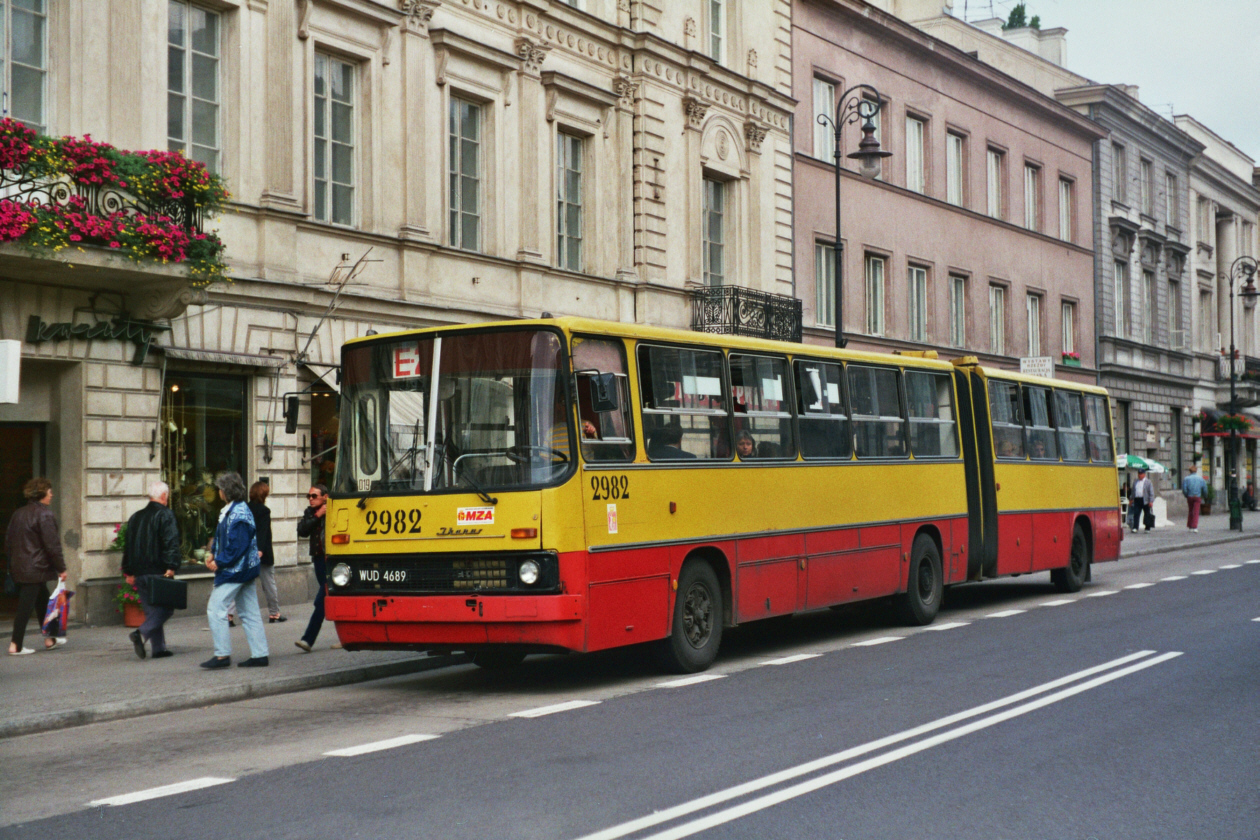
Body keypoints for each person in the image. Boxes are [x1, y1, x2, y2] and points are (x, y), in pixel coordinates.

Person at [202, 472, 269, 669]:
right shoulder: (234, 510)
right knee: (249, 612)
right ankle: (260, 654)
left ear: (225, 492)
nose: (218, 492)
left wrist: (218, 561)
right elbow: (223, 538)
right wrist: (214, 553)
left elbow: (236, 546)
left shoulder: (237, 513)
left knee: (215, 608)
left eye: (220, 489)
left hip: (236, 570)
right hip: (244, 569)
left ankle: (222, 655)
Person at [5, 478, 67, 655]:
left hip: (22, 566)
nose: (52, 495)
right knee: (26, 607)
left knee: (43, 601)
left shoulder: (18, 513)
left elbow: (8, 542)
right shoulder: (44, 514)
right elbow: (52, 545)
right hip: (36, 567)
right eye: (49, 492)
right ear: (41, 494)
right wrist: (61, 568)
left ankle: (50, 638)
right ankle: (15, 644)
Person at [121, 480, 181, 660]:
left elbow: (128, 546)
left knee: (151, 610)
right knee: (166, 608)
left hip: (139, 571)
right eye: (167, 496)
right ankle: (141, 633)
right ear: (164, 496)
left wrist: (128, 571)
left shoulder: (136, 517)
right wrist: (171, 566)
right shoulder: (165, 515)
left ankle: (159, 649)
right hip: (158, 569)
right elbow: (171, 542)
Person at [295, 484, 331, 652]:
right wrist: (317, 515)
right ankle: (348, 638)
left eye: (314, 496)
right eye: (308, 496)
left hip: (333, 559)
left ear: (325, 496)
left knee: (323, 597)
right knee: (328, 595)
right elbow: (301, 530)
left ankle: (308, 639)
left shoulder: (335, 509)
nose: (310, 499)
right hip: (318, 558)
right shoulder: (311, 512)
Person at [248, 481, 285, 623]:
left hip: (246, 550)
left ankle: (229, 615)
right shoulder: (264, 510)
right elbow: (262, 531)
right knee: (269, 583)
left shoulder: (245, 508)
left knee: (240, 582)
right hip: (262, 552)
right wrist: (260, 550)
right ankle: (274, 613)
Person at [1182, 464, 1207, 532]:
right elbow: (1204, 488)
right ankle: (1194, 526)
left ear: (1190, 471)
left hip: (1190, 496)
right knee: (1196, 512)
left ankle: (1190, 526)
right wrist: (1205, 496)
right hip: (1197, 496)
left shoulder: (1186, 479)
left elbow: (1184, 489)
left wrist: (1186, 495)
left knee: (1190, 511)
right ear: (1196, 471)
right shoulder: (1200, 479)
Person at [1130, 467, 1154, 533]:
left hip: (1145, 500)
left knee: (1147, 514)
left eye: (1141, 474)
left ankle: (1147, 528)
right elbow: (1133, 491)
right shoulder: (1135, 481)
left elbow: (1151, 492)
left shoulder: (1148, 482)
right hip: (1137, 499)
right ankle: (1135, 527)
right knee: (1136, 513)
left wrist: (1151, 501)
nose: (1139, 475)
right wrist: (1131, 499)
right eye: (1139, 473)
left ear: (1144, 474)